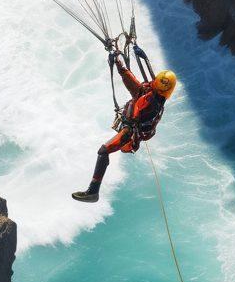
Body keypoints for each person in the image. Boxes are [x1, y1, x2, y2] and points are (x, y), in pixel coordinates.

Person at [72, 51, 177, 203]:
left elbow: (135, 88)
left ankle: (93, 192)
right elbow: (137, 87)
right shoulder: (157, 97)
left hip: (131, 132)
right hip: (133, 128)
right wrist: (120, 65)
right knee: (104, 150)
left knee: (103, 151)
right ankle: (93, 191)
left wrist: (119, 65)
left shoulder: (151, 101)